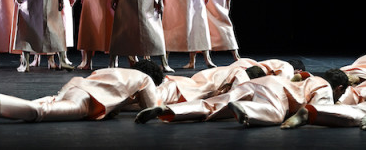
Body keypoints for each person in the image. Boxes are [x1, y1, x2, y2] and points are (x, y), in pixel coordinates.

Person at [0, 59, 164, 124]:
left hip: (76, 86)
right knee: (45, 112)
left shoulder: (114, 69)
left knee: (48, 103)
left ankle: (4, 105)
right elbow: (150, 107)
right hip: (88, 99)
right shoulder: (145, 79)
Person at [136, 69, 346, 127]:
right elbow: (317, 110)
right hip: (277, 91)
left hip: (260, 82)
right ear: (338, 87)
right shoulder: (325, 86)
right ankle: (246, 110)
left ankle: (169, 110)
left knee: (211, 105)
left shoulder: (307, 78)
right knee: (274, 113)